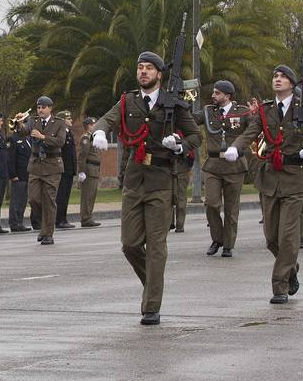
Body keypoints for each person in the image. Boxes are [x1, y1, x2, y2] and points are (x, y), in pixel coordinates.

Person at [90, 51, 200, 325]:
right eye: (140, 67)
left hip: (162, 180)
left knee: (156, 245)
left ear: (159, 74)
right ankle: (153, 284)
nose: (143, 72)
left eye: (149, 68)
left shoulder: (173, 103)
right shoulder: (128, 100)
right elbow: (107, 118)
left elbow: (197, 135)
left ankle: (151, 305)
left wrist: (180, 143)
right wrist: (100, 131)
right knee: (129, 244)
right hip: (134, 179)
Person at [229, 64, 303, 303]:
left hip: (295, 178)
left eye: (283, 77)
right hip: (270, 178)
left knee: (287, 237)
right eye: (275, 76)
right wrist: (235, 147)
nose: (277, 79)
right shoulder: (265, 110)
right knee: (271, 238)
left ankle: (280, 286)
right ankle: (291, 268)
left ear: (293, 84)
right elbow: (251, 132)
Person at [201, 80, 249, 257]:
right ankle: (217, 238)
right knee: (211, 203)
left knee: (231, 208)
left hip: (234, 166)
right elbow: (189, 120)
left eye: (217, 93)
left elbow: (254, 128)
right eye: (213, 92)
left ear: (227, 96)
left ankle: (228, 244)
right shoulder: (208, 111)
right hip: (213, 165)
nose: (213, 96)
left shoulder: (242, 111)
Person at [19, 97, 68, 244]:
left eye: (43, 107)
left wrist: (43, 137)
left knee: (49, 201)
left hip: (52, 166)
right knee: (33, 199)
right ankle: (43, 227)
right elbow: (23, 132)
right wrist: (20, 122)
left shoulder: (59, 123)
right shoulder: (33, 121)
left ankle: (48, 234)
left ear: (50, 108)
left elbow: (60, 142)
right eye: (39, 107)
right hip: (35, 165)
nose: (40, 110)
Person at [7, 120, 32, 233]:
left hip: (26, 174)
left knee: (23, 200)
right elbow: (11, 158)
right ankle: (14, 222)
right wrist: (13, 174)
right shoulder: (13, 139)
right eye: (24, 125)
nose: (26, 127)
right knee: (16, 200)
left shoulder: (27, 140)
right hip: (18, 175)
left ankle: (20, 222)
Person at [77, 116, 102, 227]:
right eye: (93, 124)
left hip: (94, 170)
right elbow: (82, 156)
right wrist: (81, 172)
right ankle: (85, 218)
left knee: (92, 195)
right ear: (88, 126)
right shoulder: (86, 138)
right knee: (87, 195)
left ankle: (88, 216)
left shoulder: (93, 137)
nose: (95, 126)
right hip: (89, 170)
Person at [55, 112, 77, 230]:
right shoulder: (61, 133)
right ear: (62, 120)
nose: (71, 120)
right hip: (63, 170)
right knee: (61, 196)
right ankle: (59, 220)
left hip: (69, 170)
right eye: (68, 118)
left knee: (66, 196)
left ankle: (63, 218)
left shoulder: (68, 133)